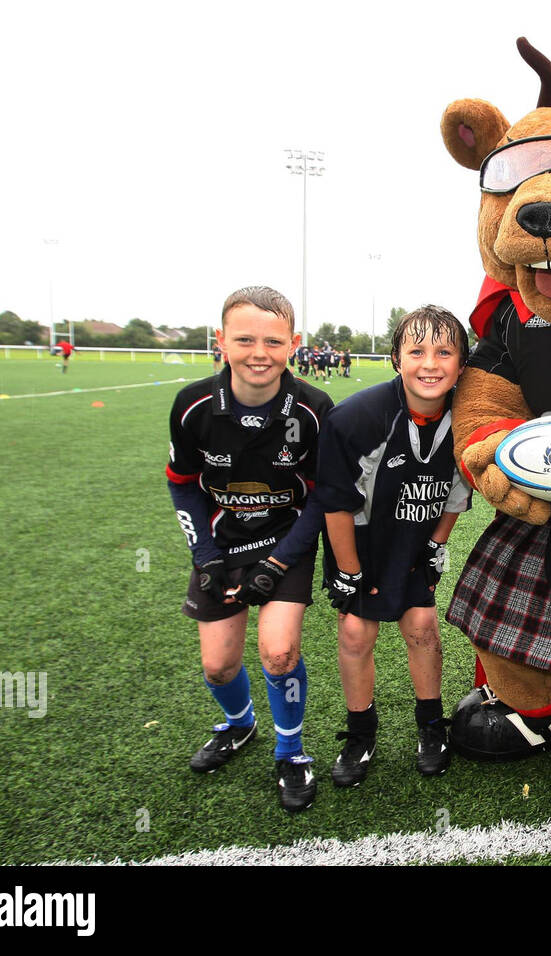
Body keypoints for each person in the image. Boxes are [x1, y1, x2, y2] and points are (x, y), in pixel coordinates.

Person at [166, 286, 334, 813]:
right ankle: (239, 727)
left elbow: (324, 497)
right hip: (220, 545)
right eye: (244, 339)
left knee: (279, 652)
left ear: (294, 344)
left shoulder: (312, 408)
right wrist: (206, 555)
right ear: (221, 341)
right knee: (218, 666)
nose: (258, 352)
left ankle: (291, 752)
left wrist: (281, 561)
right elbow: (182, 482)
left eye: (272, 340)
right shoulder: (193, 405)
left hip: (288, 541)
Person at [315, 306, 472, 783]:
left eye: (444, 352)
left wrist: (436, 546)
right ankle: (361, 732)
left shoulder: (466, 419)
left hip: (412, 541)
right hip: (360, 543)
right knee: (356, 633)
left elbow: (455, 491)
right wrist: (348, 570)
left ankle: (431, 725)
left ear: (461, 365)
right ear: (396, 359)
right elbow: (338, 503)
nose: (430, 364)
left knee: (422, 625)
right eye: (417, 351)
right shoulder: (359, 418)